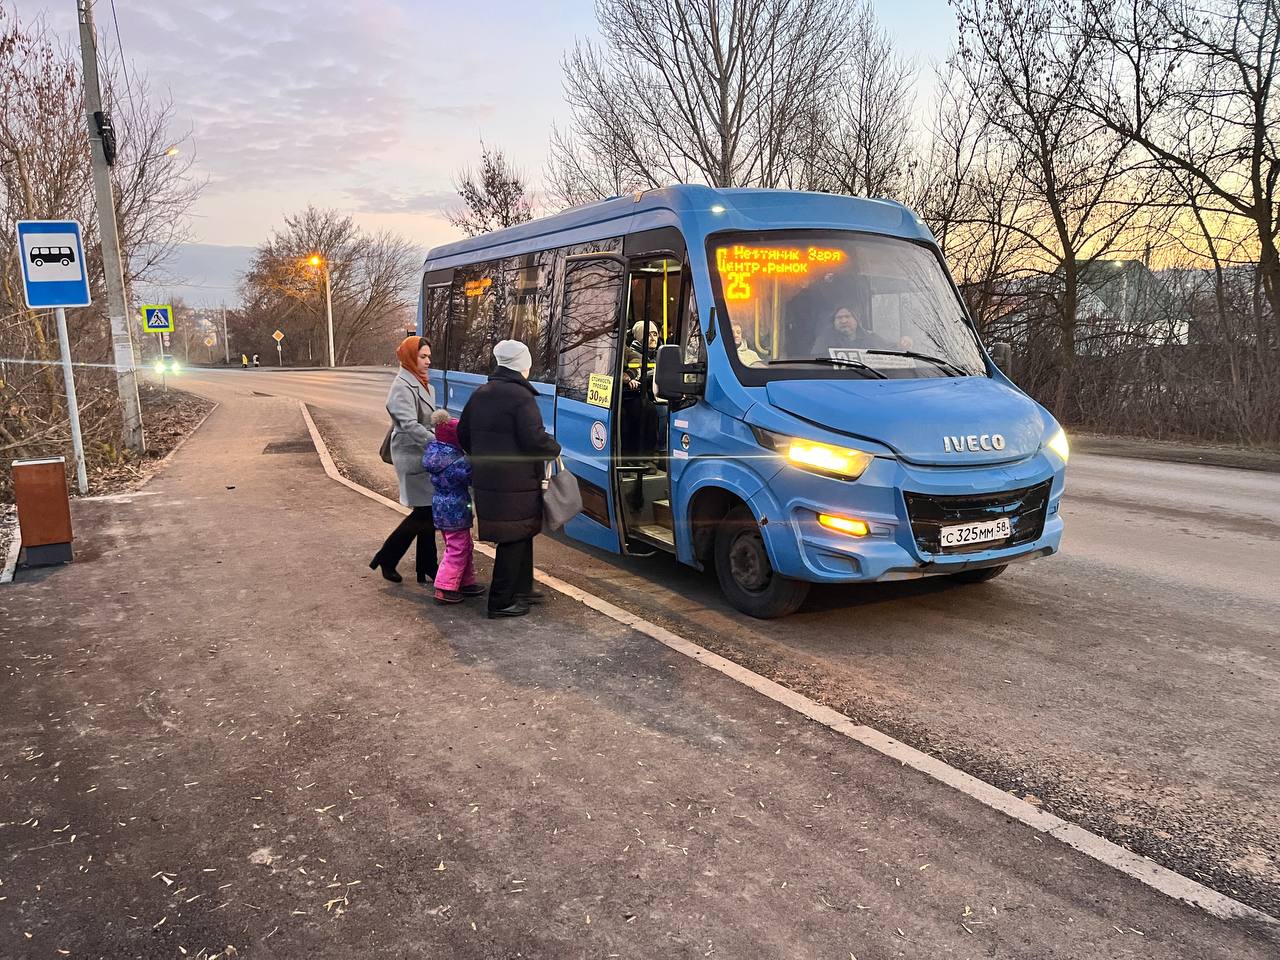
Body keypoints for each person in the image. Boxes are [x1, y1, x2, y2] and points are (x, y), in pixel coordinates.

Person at [458, 339, 561, 619]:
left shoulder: (481, 393)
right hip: (516, 482)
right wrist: (554, 448)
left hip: (491, 479)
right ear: (522, 365)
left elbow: (463, 435)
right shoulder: (521, 397)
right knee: (513, 538)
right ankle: (501, 601)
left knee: (521, 532)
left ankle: (522, 588)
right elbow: (534, 440)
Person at [368, 335, 439, 584]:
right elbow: (407, 423)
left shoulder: (424, 383)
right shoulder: (402, 386)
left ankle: (426, 566)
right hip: (411, 454)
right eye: (423, 356)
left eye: (429, 356)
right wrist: (435, 440)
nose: (428, 361)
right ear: (410, 357)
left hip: (423, 454)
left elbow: (428, 418)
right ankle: (388, 558)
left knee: (427, 511)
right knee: (424, 513)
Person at [423, 409, 485, 605]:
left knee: (461, 545)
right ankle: (444, 587)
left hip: (441, 508)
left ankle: (465, 582)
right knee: (458, 548)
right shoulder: (457, 461)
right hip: (455, 509)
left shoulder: (436, 454)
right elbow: (472, 477)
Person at [808, 305, 894, 355]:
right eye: (839, 317)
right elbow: (816, 363)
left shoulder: (871, 338)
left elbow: (891, 351)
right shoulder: (824, 341)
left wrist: (903, 343)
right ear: (833, 322)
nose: (843, 321)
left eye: (847, 316)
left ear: (856, 319)